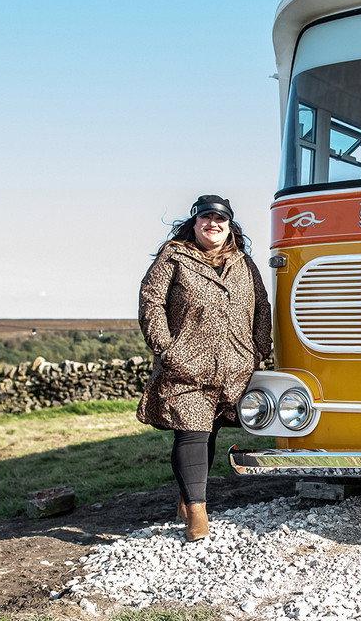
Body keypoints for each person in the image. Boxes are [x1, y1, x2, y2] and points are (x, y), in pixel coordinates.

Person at [137, 195, 272, 542]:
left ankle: (187, 498)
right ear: (194, 223)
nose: (213, 224)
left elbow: (261, 305)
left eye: (220, 219)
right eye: (206, 218)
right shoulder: (174, 257)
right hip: (186, 364)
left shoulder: (243, 262)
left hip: (232, 365)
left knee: (209, 432)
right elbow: (151, 301)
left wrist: (259, 347)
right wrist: (166, 349)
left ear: (230, 226)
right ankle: (198, 514)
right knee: (192, 432)